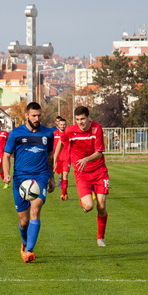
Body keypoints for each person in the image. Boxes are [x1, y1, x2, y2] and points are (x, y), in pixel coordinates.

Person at [3, 102, 55, 263]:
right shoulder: (16, 133)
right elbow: (6, 156)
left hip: (40, 176)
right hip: (20, 178)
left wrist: (51, 177)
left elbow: (50, 156)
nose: (36, 118)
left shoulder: (48, 133)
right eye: (33, 115)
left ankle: (29, 251)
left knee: (35, 209)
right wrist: (6, 174)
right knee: (23, 220)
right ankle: (25, 243)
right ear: (26, 115)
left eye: (39, 115)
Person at [54, 106, 109, 247]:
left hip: (99, 171)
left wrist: (86, 159)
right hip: (82, 174)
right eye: (77, 120)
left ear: (88, 117)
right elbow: (61, 141)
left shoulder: (97, 129)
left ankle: (100, 237)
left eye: (83, 119)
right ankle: (84, 202)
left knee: (101, 206)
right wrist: (55, 159)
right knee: (89, 206)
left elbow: (99, 152)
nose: (80, 122)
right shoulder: (71, 130)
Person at [53, 118, 70, 200]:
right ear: (58, 125)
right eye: (61, 124)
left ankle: (62, 194)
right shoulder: (54, 134)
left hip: (67, 157)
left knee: (65, 175)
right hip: (58, 158)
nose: (63, 126)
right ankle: (65, 192)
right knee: (61, 176)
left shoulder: (68, 134)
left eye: (64, 124)